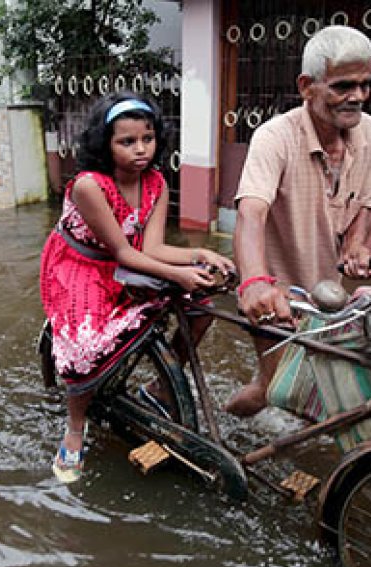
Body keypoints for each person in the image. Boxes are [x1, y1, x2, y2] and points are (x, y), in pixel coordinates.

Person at [40, 92, 234, 483]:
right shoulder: (88, 186)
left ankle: (161, 387)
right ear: (105, 144)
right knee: (84, 350)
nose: (140, 149)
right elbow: (124, 253)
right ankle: (75, 427)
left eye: (147, 138)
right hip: (79, 267)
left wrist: (201, 255)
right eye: (126, 142)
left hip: (127, 259)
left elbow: (154, 248)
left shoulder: (156, 183)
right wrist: (178, 273)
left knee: (201, 302)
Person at [224, 25, 371, 417]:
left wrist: (355, 244)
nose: (357, 97)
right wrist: (256, 282)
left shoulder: (368, 130)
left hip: (329, 291)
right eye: (343, 86)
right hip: (276, 294)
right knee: (274, 389)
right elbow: (251, 212)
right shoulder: (275, 137)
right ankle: (219, 434)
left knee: (329, 389)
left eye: (364, 85)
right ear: (306, 86)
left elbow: (367, 201)